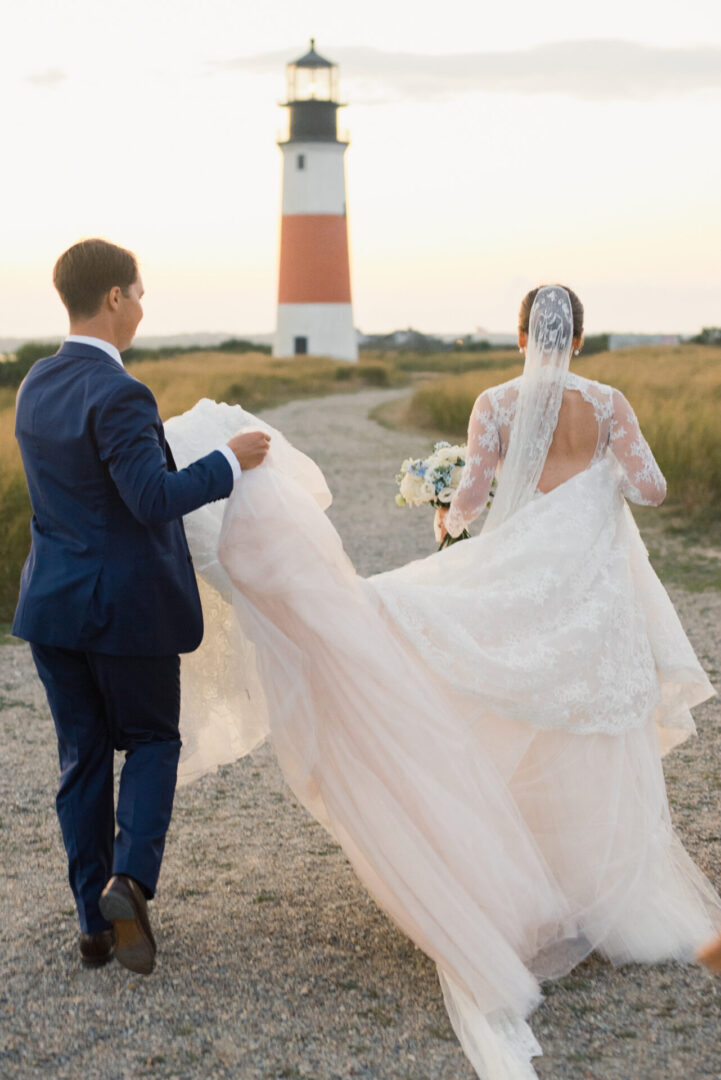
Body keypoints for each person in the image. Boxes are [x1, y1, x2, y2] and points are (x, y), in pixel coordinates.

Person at [165, 284, 719, 1080]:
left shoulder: (493, 402)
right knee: (591, 729)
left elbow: (467, 506)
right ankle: (607, 901)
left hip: (520, 581)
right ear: (581, 340)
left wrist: (444, 511)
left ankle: (526, 877)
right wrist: (599, 481)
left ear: (520, 333)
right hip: (594, 596)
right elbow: (653, 490)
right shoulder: (609, 403)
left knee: (506, 704)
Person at [13, 238, 270, 975]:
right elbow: (151, 497)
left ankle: (93, 925)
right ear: (116, 299)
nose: (144, 307)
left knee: (82, 756)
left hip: (51, 608)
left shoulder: (36, 381)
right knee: (153, 739)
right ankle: (129, 882)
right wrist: (229, 461)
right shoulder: (121, 392)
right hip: (123, 610)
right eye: (141, 292)